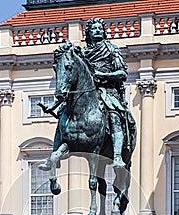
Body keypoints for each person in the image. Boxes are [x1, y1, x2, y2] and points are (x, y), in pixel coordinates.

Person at [39, 17, 136, 171]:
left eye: (100, 28)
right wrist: (55, 103)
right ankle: (52, 157)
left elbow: (122, 73)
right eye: (93, 28)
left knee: (114, 115)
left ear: (104, 32)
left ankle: (117, 156)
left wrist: (103, 76)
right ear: (88, 32)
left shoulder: (111, 49)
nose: (97, 30)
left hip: (108, 91)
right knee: (63, 114)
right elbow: (71, 78)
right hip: (85, 93)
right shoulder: (83, 53)